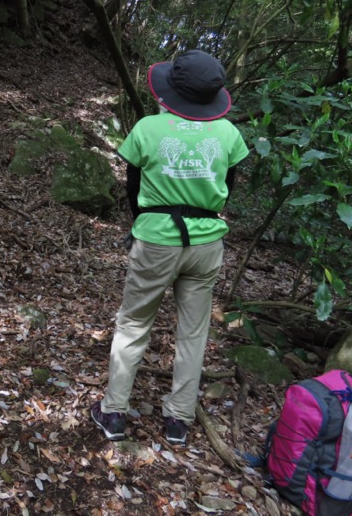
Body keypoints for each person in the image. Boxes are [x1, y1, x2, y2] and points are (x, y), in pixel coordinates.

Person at [91, 50, 249, 445]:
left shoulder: (148, 128)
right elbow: (228, 186)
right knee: (193, 333)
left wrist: (141, 223)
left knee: (133, 323)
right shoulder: (229, 133)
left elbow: (132, 185)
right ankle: (178, 420)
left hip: (156, 239)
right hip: (207, 242)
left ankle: (114, 412)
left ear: (171, 91)